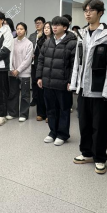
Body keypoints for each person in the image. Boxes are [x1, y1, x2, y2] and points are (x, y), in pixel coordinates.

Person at [70, 0, 107, 175]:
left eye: (91, 10)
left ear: (100, 13)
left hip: (99, 89)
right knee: (84, 123)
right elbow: (77, 62)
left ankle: (99, 157)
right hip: (83, 88)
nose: (87, 13)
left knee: (99, 126)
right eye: (85, 10)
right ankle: (87, 153)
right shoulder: (82, 34)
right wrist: (75, 84)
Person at [37, 16, 77, 146]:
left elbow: (74, 65)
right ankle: (52, 132)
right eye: (53, 24)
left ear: (65, 27)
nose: (54, 27)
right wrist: (39, 77)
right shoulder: (48, 42)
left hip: (63, 83)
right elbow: (41, 60)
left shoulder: (72, 43)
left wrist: (71, 81)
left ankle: (62, 134)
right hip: (48, 82)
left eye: (57, 25)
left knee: (63, 109)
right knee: (50, 109)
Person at [7, 23, 33, 122]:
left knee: (25, 94)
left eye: (21, 29)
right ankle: (13, 113)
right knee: (13, 93)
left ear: (25, 30)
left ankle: (23, 114)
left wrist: (18, 70)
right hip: (12, 72)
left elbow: (28, 60)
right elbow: (9, 56)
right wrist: (12, 69)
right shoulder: (12, 42)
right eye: (17, 29)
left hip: (24, 72)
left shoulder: (29, 43)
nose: (19, 31)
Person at [29, 17, 46, 109]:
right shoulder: (32, 36)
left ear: (43, 24)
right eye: (36, 23)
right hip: (33, 62)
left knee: (41, 81)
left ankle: (42, 99)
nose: (37, 24)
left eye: (39, 23)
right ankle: (34, 98)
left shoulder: (46, 35)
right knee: (34, 81)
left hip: (42, 62)